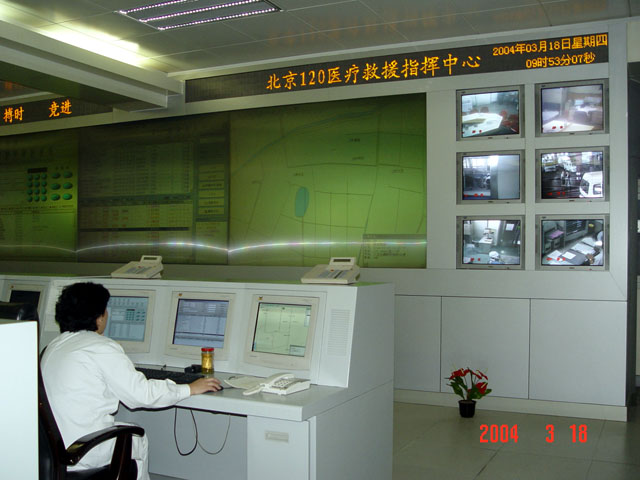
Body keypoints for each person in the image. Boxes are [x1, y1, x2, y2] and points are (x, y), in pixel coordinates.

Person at [41, 282, 222, 480]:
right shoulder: (100, 347)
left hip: (53, 454)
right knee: (135, 437)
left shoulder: (53, 347)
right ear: (99, 317)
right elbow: (142, 395)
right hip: (82, 454)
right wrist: (189, 388)